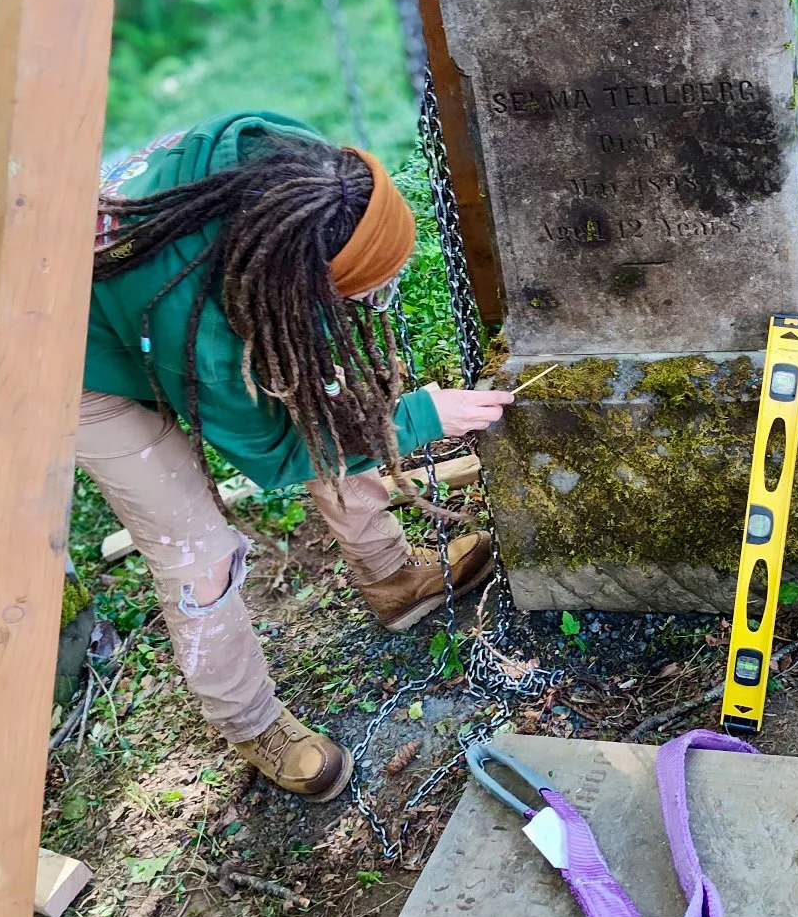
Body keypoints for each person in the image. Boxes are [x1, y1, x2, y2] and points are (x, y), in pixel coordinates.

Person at [82, 111, 513, 803]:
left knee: (338, 398)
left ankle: (393, 578)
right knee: (197, 550)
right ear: (297, 281)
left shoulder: (294, 165)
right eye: (368, 289)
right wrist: (421, 417)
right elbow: (286, 454)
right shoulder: (210, 343)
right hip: (82, 362)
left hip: (171, 299)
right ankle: (251, 722)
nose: (382, 301)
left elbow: (332, 406)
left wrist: (371, 404)